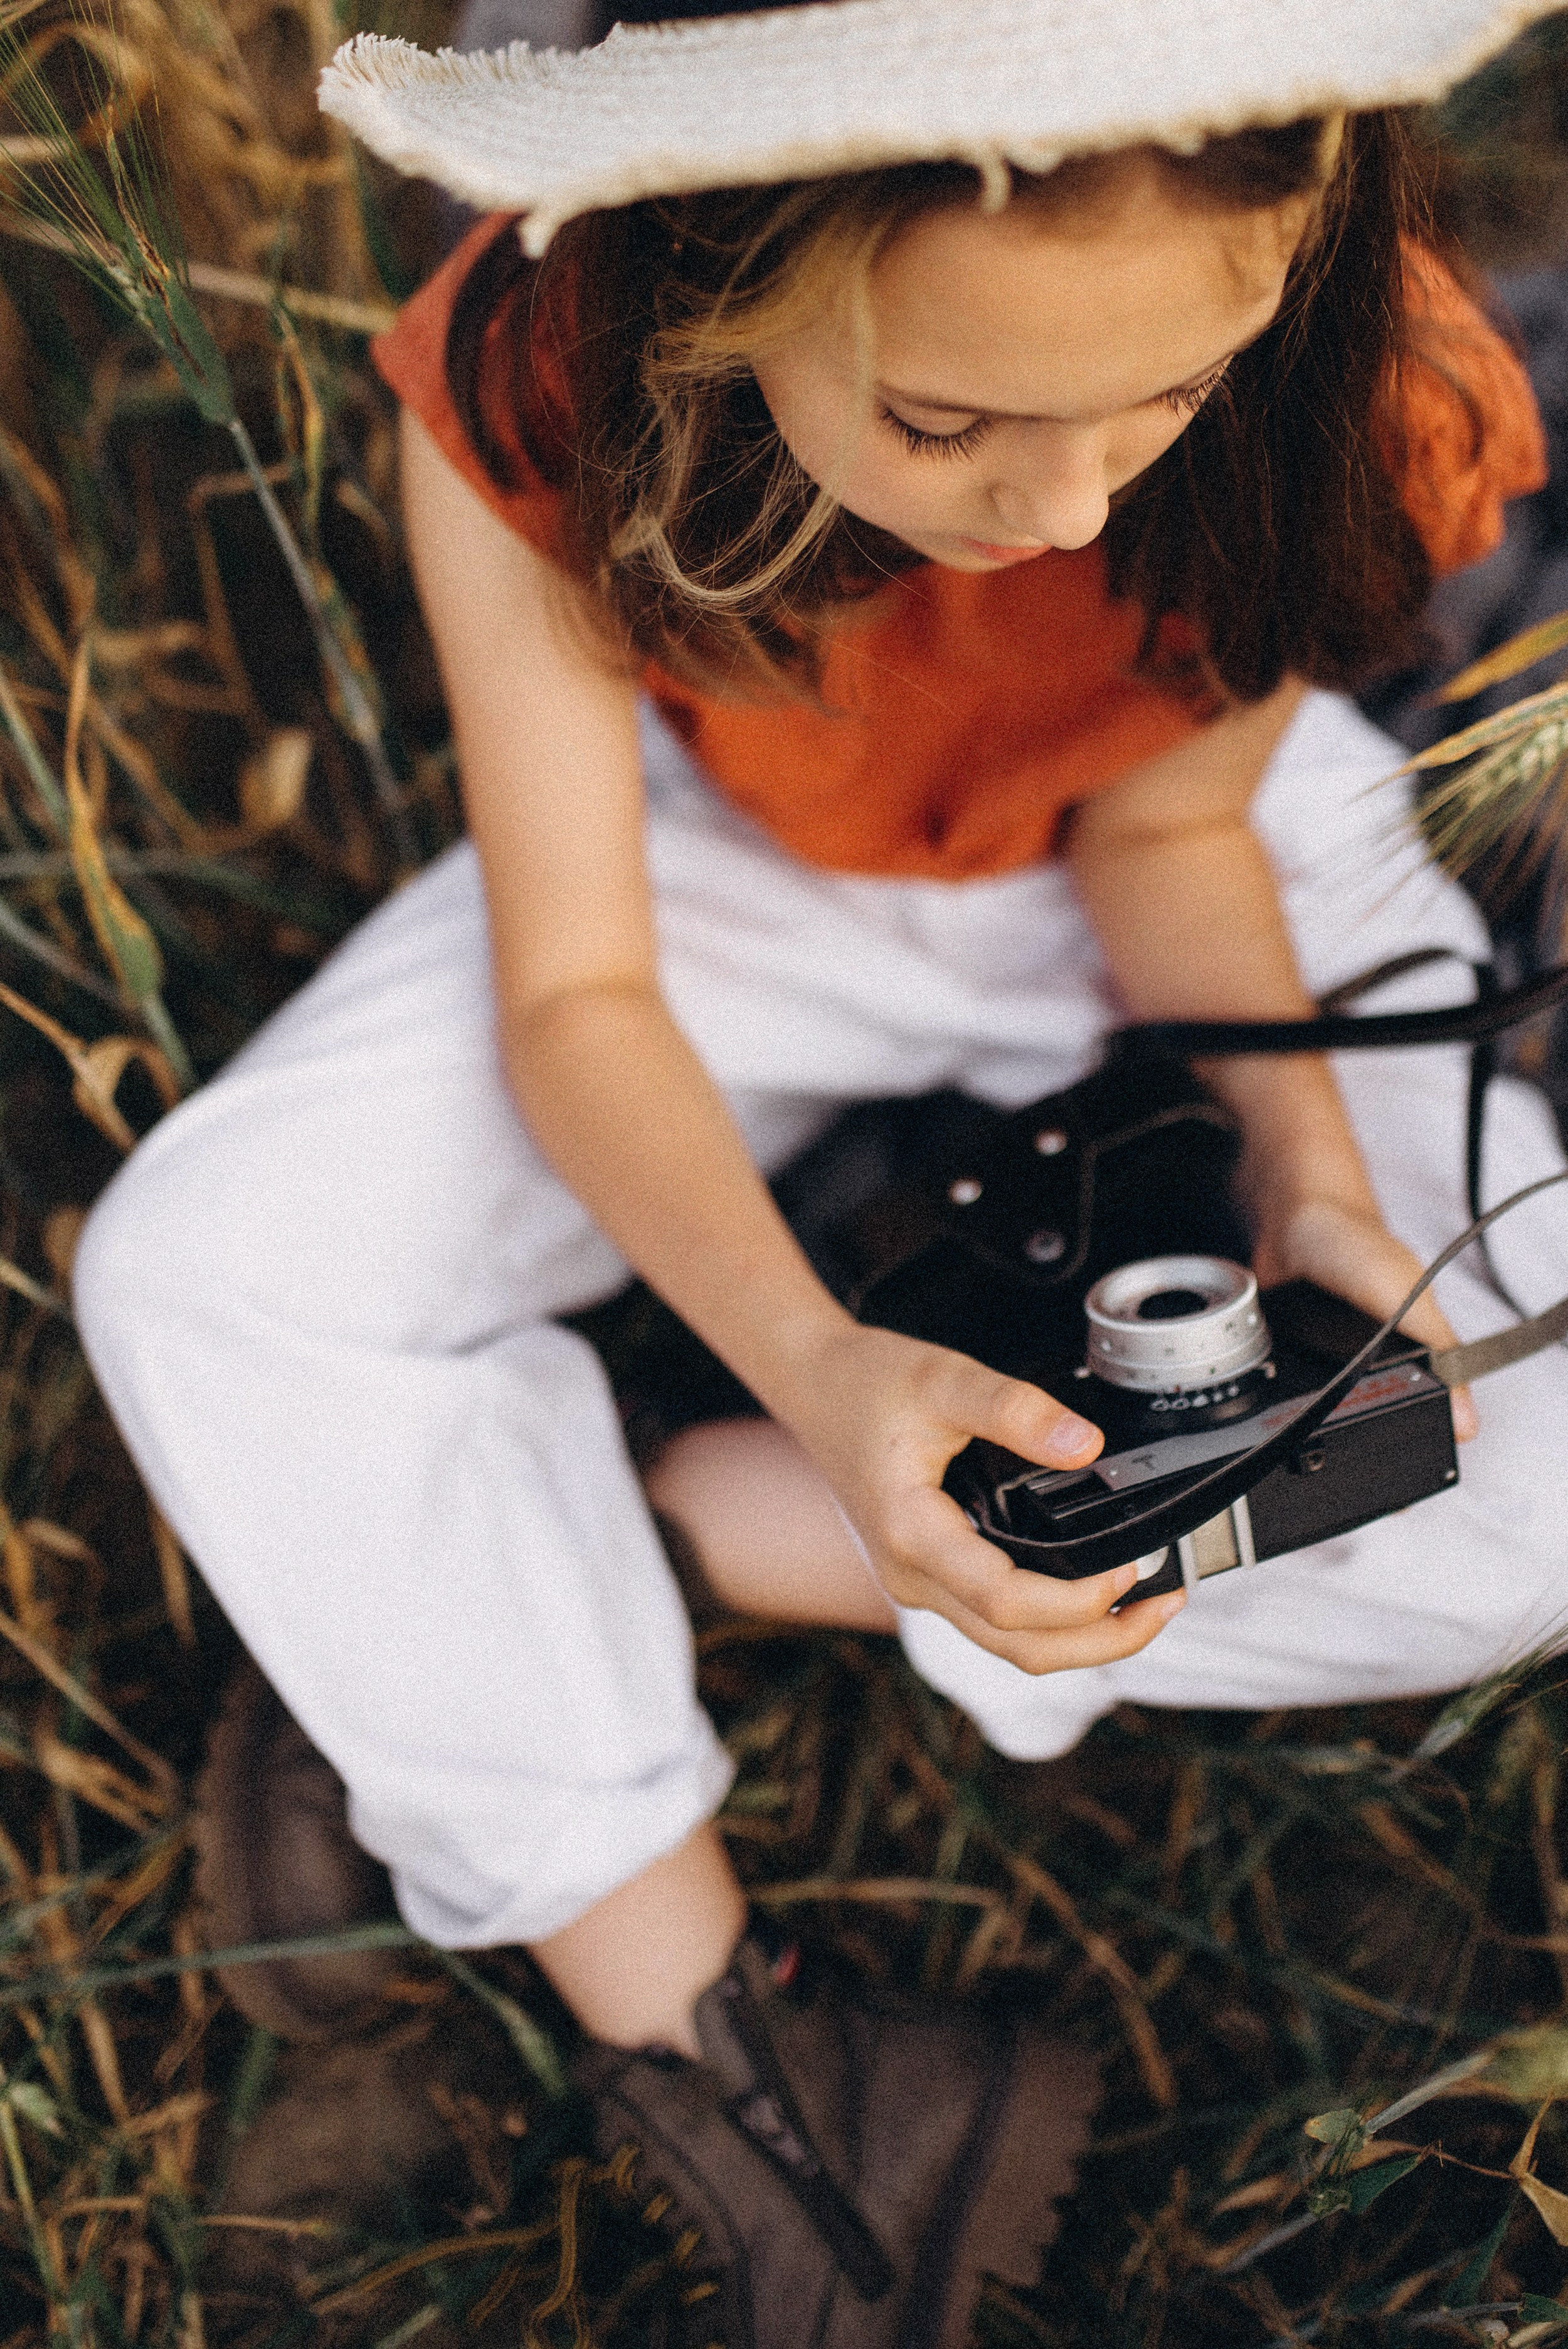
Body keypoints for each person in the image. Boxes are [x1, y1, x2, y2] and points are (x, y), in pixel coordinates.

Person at [73, 0, 1568, 2334]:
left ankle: (632, 1536)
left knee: (1531, 1488)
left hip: (1198, 864)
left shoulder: (1356, 360)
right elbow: (578, 992)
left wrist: (1298, 1168)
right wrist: (812, 1351)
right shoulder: (537, 368)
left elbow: (1172, 813)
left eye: (1165, 398)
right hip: (732, 837)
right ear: (717, 268)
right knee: (208, 1263)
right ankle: (765, 2075)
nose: (1067, 506)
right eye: (947, 419)